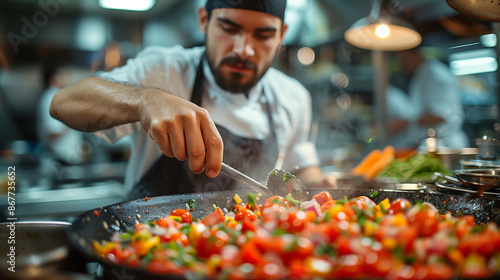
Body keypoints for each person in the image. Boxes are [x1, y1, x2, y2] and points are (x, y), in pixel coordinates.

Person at [50, 0, 336, 199]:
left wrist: (318, 187)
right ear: (204, 20)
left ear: (282, 36)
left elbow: (301, 163)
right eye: (229, 28)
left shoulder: (293, 96)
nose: (244, 49)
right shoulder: (164, 70)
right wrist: (145, 100)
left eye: (263, 35)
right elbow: (63, 103)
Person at [387, 48, 469, 150]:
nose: (402, 65)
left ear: (416, 54)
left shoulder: (435, 75)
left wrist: (405, 122)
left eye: (404, 60)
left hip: (446, 145)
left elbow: (440, 115)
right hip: (431, 144)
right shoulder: (422, 74)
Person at [37, 62, 84, 165]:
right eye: (63, 75)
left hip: (67, 159)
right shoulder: (51, 97)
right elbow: (52, 133)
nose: (68, 78)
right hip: (60, 160)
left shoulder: (58, 96)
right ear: (53, 79)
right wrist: (75, 121)